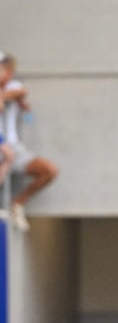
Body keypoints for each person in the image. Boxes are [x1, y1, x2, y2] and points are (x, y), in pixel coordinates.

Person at [0, 53, 59, 232]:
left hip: (12, 144)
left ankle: (17, 204)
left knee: (49, 170)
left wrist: (6, 97)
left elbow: (22, 92)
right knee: (6, 157)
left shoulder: (13, 87)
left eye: (3, 69)